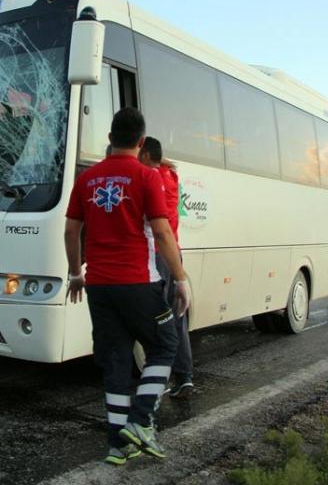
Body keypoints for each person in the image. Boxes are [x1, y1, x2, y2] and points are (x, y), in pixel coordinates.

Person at [65, 107, 191, 465]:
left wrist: (76, 274)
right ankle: (139, 421)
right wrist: (181, 279)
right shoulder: (147, 176)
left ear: (109, 139)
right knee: (165, 345)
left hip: (99, 285)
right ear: (140, 142)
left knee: (116, 359)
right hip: (138, 282)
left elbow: (71, 230)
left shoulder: (87, 179)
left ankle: (117, 445)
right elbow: (163, 232)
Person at [138, 137, 194, 397]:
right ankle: (184, 376)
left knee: (157, 318)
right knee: (177, 316)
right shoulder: (170, 176)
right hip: (175, 254)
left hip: (159, 254)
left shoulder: (150, 178)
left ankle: (157, 379)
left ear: (147, 155)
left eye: (140, 153)